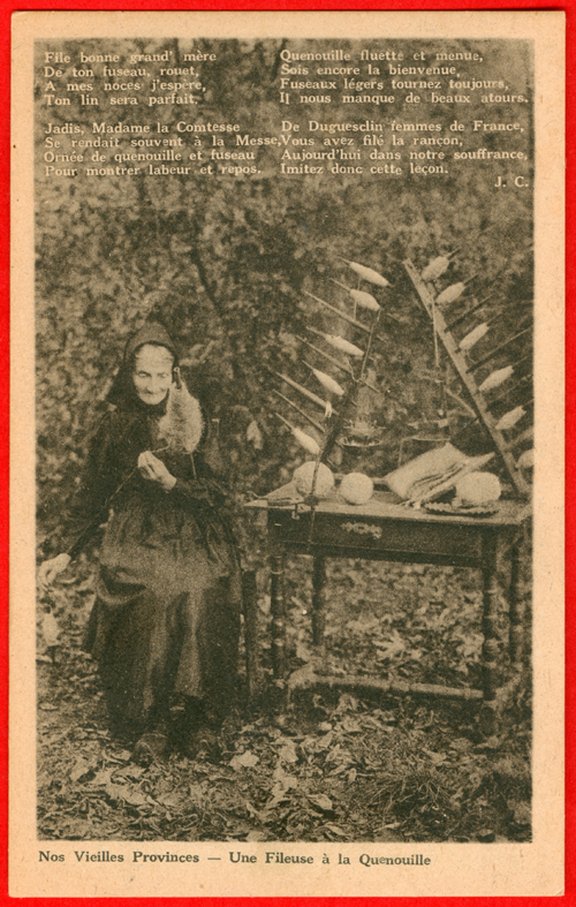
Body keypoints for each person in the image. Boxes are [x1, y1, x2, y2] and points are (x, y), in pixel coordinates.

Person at [38, 321, 243, 764]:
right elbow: (93, 495)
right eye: (142, 374)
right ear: (129, 375)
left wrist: (173, 483)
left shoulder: (194, 419)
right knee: (154, 592)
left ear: (174, 375)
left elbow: (222, 493)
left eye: (160, 375)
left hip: (194, 529)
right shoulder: (116, 425)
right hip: (138, 532)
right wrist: (65, 551)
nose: (151, 385)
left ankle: (198, 717)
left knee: (199, 589)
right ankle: (152, 720)